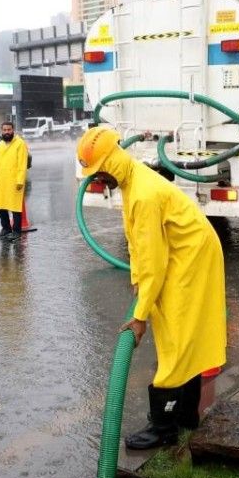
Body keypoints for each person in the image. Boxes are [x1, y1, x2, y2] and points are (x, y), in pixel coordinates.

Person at [77, 126, 226, 448]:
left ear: (113, 160)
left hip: (191, 258)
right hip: (187, 252)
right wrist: (137, 282)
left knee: (176, 337)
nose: (98, 178)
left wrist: (140, 315)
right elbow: (138, 245)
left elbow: (155, 264)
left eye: (100, 170)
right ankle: (186, 416)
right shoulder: (133, 183)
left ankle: (164, 429)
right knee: (183, 335)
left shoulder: (142, 194)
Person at [0, 121, 29, 241]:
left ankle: (16, 230)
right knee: (1, 205)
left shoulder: (20, 144)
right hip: (2, 180)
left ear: (13, 130)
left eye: (9, 130)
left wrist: (20, 180)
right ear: (1, 131)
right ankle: (6, 228)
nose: (7, 132)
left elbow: (22, 164)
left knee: (15, 206)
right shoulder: (0, 144)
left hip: (14, 180)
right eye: (4, 130)